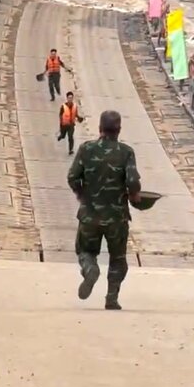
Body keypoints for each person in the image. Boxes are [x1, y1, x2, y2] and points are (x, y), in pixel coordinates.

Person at [67, 110, 142, 310]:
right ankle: (111, 298)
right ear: (118, 130)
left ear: (100, 128)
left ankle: (90, 268)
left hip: (89, 215)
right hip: (116, 218)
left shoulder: (86, 149)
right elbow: (133, 181)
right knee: (118, 259)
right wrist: (134, 196)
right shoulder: (126, 152)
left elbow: (72, 177)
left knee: (85, 250)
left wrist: (81, 194)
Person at [58, 91, 84, 156]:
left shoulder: (75, 106)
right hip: (64, 125)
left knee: (70, 137)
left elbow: (75, 114)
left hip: (71, 125)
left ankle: (70, 150)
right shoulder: (63, 106)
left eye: (71, 98)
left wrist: (79, 118)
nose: (70, 99)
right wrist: (61, 125)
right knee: (63, 136)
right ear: (67, 98)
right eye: (69, 98)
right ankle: (61, 136)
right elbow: (60, 116)